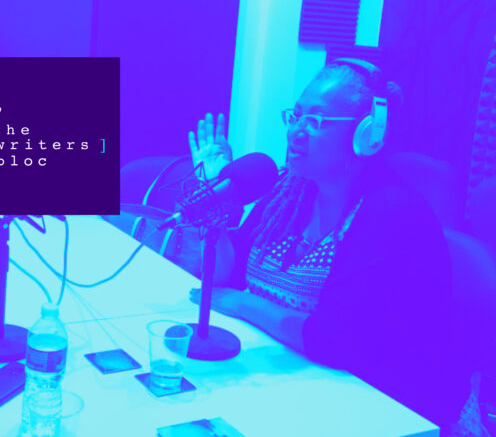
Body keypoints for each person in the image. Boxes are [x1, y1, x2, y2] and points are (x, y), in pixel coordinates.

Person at [188, 59, 475, 432]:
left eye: (317, 121)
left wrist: (243, 303)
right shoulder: (288, 192)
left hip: (388, 407)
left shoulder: (391, 213)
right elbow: (225, 275)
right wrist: (215, 202)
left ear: (366, 134)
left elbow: (333, 339)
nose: (296, 131)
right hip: (304, 378)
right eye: (295, 116)